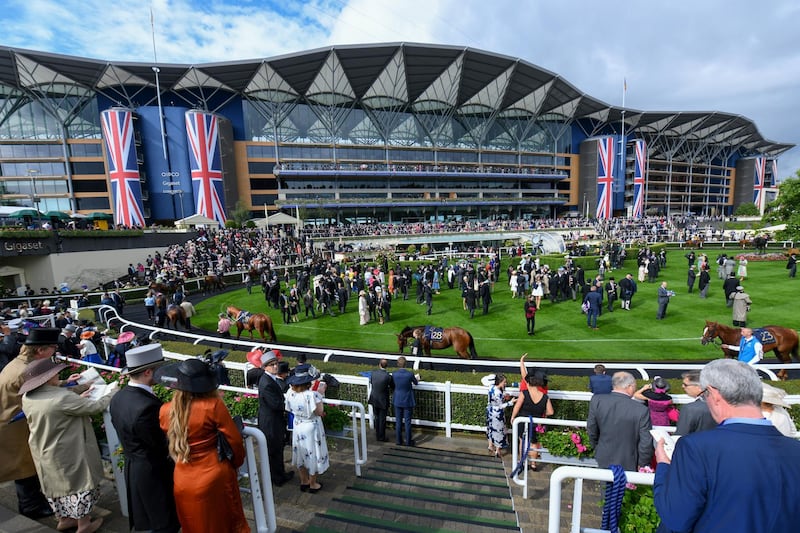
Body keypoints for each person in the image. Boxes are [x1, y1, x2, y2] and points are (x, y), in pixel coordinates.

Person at [653, 359, 800, 533]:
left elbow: (675, 518)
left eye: (705, 394)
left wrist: (663, 467)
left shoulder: (695, 447)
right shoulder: (795, 449)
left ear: (714, 395)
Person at [22, 356, 120, 533]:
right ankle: (84, 525)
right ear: (48, 378)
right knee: (80, 486)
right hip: (67, 449)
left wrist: (76, 387)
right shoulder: (61, 398)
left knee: (55, 486)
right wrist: (113, 392)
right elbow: (94, 407)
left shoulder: (28, 397)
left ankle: (64, 519)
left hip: (43, 448)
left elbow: (54, 396)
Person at [156, 358, 248, 533]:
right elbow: (235, 442)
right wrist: (235, 464)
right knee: (225, 525)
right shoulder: (212, 406)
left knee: (194, 526)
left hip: (183, 478)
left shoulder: (165, 410)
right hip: (215, 475)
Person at [0, 328, 80, 521]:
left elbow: (41, 386)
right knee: (25, 469)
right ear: (41, 350)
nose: (55, 351)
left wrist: (64, 383)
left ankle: (32, 504)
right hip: (15, 426)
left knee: (25, 469)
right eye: (53, 347)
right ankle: (31, 507)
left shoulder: (20, 364)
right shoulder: (25, 370)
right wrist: (77, 392)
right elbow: (45, 396)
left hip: (12, 422)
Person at [109, 344, 180, 533]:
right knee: (164, 523)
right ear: (149, 372)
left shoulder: (120, 397)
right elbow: (161, 445)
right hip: (154, 473)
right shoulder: (147, 407)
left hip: (135, 469)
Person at [586, 371, 652, 471]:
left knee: (605, 486)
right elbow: (646, 442)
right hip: (629, 461)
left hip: (603, 456)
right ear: (630, 387)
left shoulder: (597, 401)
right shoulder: (641, 410)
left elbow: (591, 429)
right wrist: (643, 464)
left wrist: (597, 448)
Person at [284, 364, 329, 493]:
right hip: (311, 426)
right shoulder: (312, 395)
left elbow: (288, 408)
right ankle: (313, 483)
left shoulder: (290, 392)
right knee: (312, 453)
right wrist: (320, 394)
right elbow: (320, 412)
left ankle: (304, 481)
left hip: (298, 425)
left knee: (300, 453)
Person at [257, 350, 294, 486]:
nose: (275, 366)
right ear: (265, 367)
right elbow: (276, 404)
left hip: (273, 420)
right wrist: (290, 403)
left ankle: (279, 474)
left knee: (277, 449)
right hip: (271, 422)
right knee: (274, 450)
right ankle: (278, 478)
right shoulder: (266, 382)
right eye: (271, 365)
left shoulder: (269, 379)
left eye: (276, 363)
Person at [510, 369, 553, 470]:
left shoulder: (524, 393)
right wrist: (542, 413)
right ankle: (533, 464)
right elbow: (551, 412)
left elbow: (517, 406)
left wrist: (512, 417)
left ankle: (522, 461)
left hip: (523, 420)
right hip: (536, 422)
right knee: (534, 443)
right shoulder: (545, 397)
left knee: (522, 441)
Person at [674, 370, 717, 436]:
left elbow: (681, 436)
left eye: (685, 385)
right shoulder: (723, 403)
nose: (682, 386)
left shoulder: (689, 409)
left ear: (700, 387)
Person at [486, 373, 515, 456]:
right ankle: (497, 450)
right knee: (498, 431)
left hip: (490, 411)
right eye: (504, 382)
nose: (505, 384)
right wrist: (510, 402)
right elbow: (500, 406)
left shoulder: (491, 388)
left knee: (490, 429)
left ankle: (490, 445)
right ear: (499, 382)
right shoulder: (498, 392)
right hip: (497, 414)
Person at [392, 356, 418, 446]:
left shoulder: (394, 374)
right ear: (405, 364)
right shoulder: (409, 374)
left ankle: (399, 441)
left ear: (398, 364)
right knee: (407, 422)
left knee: (398, 422)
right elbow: (416, 382)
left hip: (397, 400)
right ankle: (408, 442)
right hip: (407, 400)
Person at [367, 359, 392, 442]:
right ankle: (381, 437)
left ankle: (378, 435)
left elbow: (372, 383)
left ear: (379, 365)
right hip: (383, 400)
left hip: (374, 398)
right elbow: (392, 386)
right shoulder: (388, 376)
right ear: (387, 366)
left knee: (377, 418)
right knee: (382, 419)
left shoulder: (373, 373)